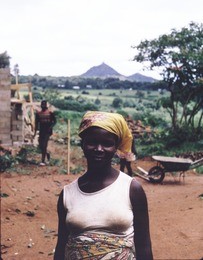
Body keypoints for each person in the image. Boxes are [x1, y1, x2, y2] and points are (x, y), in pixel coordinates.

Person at [54, 111, 153, 260]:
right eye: (92, 142)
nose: (99, 149)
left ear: (116, 148)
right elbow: (61, 245)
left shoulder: (131, 189)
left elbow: (144, 245)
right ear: (82, 144)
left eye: (107, 144)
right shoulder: (67, 194)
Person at [34, 100, 56, 166]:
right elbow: (36, 123)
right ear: (41, 106)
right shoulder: (38, 114)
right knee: (41, 145)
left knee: (44, 145)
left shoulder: (50, 113)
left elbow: (54, 121)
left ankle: (43, 161)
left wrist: (50, 127)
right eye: (42, 105)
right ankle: (47, 154)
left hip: (47, 132)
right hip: (41, 132)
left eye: (44, 105)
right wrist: (35, 132)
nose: (43, 106)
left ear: (46, 106)